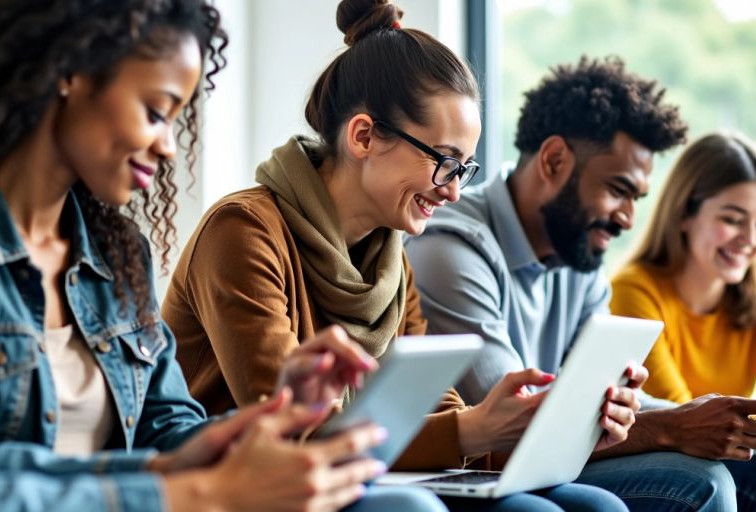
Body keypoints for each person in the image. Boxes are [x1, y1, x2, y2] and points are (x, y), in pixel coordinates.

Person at [0, 0, 439, 510]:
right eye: (156, 112)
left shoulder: (116, 252)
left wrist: (264, 425)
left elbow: (168, 425)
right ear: (72, 71)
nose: (167, 147)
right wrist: (189, 495)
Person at [162, 1, 635, 510]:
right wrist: (471, 429)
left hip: (361, 474)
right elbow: (292, 430)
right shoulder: (242, 231)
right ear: (364, 136)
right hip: (260, 485)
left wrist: (561, 429)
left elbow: (436, 409)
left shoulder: (390, 260)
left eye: (464, 170)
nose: (453, 192)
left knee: (594, 506)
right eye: (445, 163)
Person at [405, 56, 756, 511]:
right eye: (618, 190)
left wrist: (704, 415)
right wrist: (673, 426)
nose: (628, 219)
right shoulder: (451, 247)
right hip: (484, 466)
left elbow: (600, 399)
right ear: (554, 160)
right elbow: (509, 431)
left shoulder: (579, 257)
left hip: (544, 457)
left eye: (636, 198)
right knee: (702, 482)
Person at [610, 131, 756, 508]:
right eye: (733, 220)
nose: (750, 239)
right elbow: (687, 424)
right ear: (685, 214)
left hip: (734, 455)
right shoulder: (635, 291)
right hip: (668, 456)